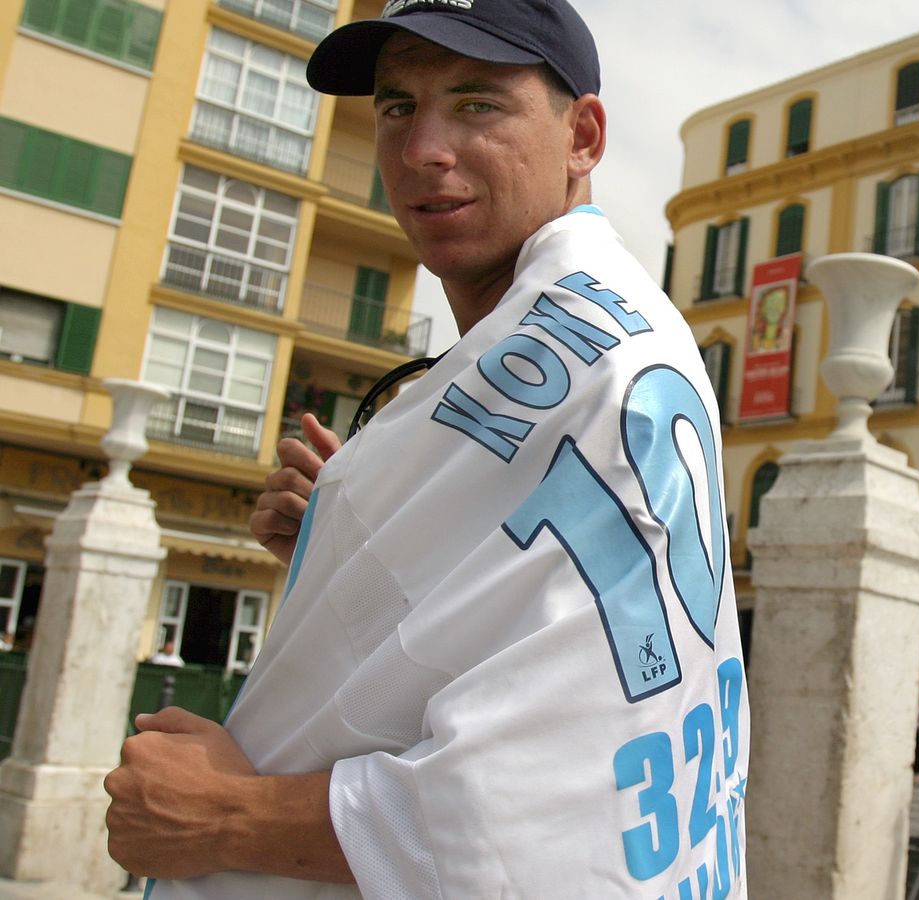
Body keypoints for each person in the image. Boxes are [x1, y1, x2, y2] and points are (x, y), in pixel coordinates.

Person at [103, 2, 749, 897]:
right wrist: (347, 546)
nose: (421, 150)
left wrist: (219, 814)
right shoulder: (563, 343)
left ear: (584, 135)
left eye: (477, 103)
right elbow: (496, 630)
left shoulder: (584, 365)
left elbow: (563, 801)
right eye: (398, 107)